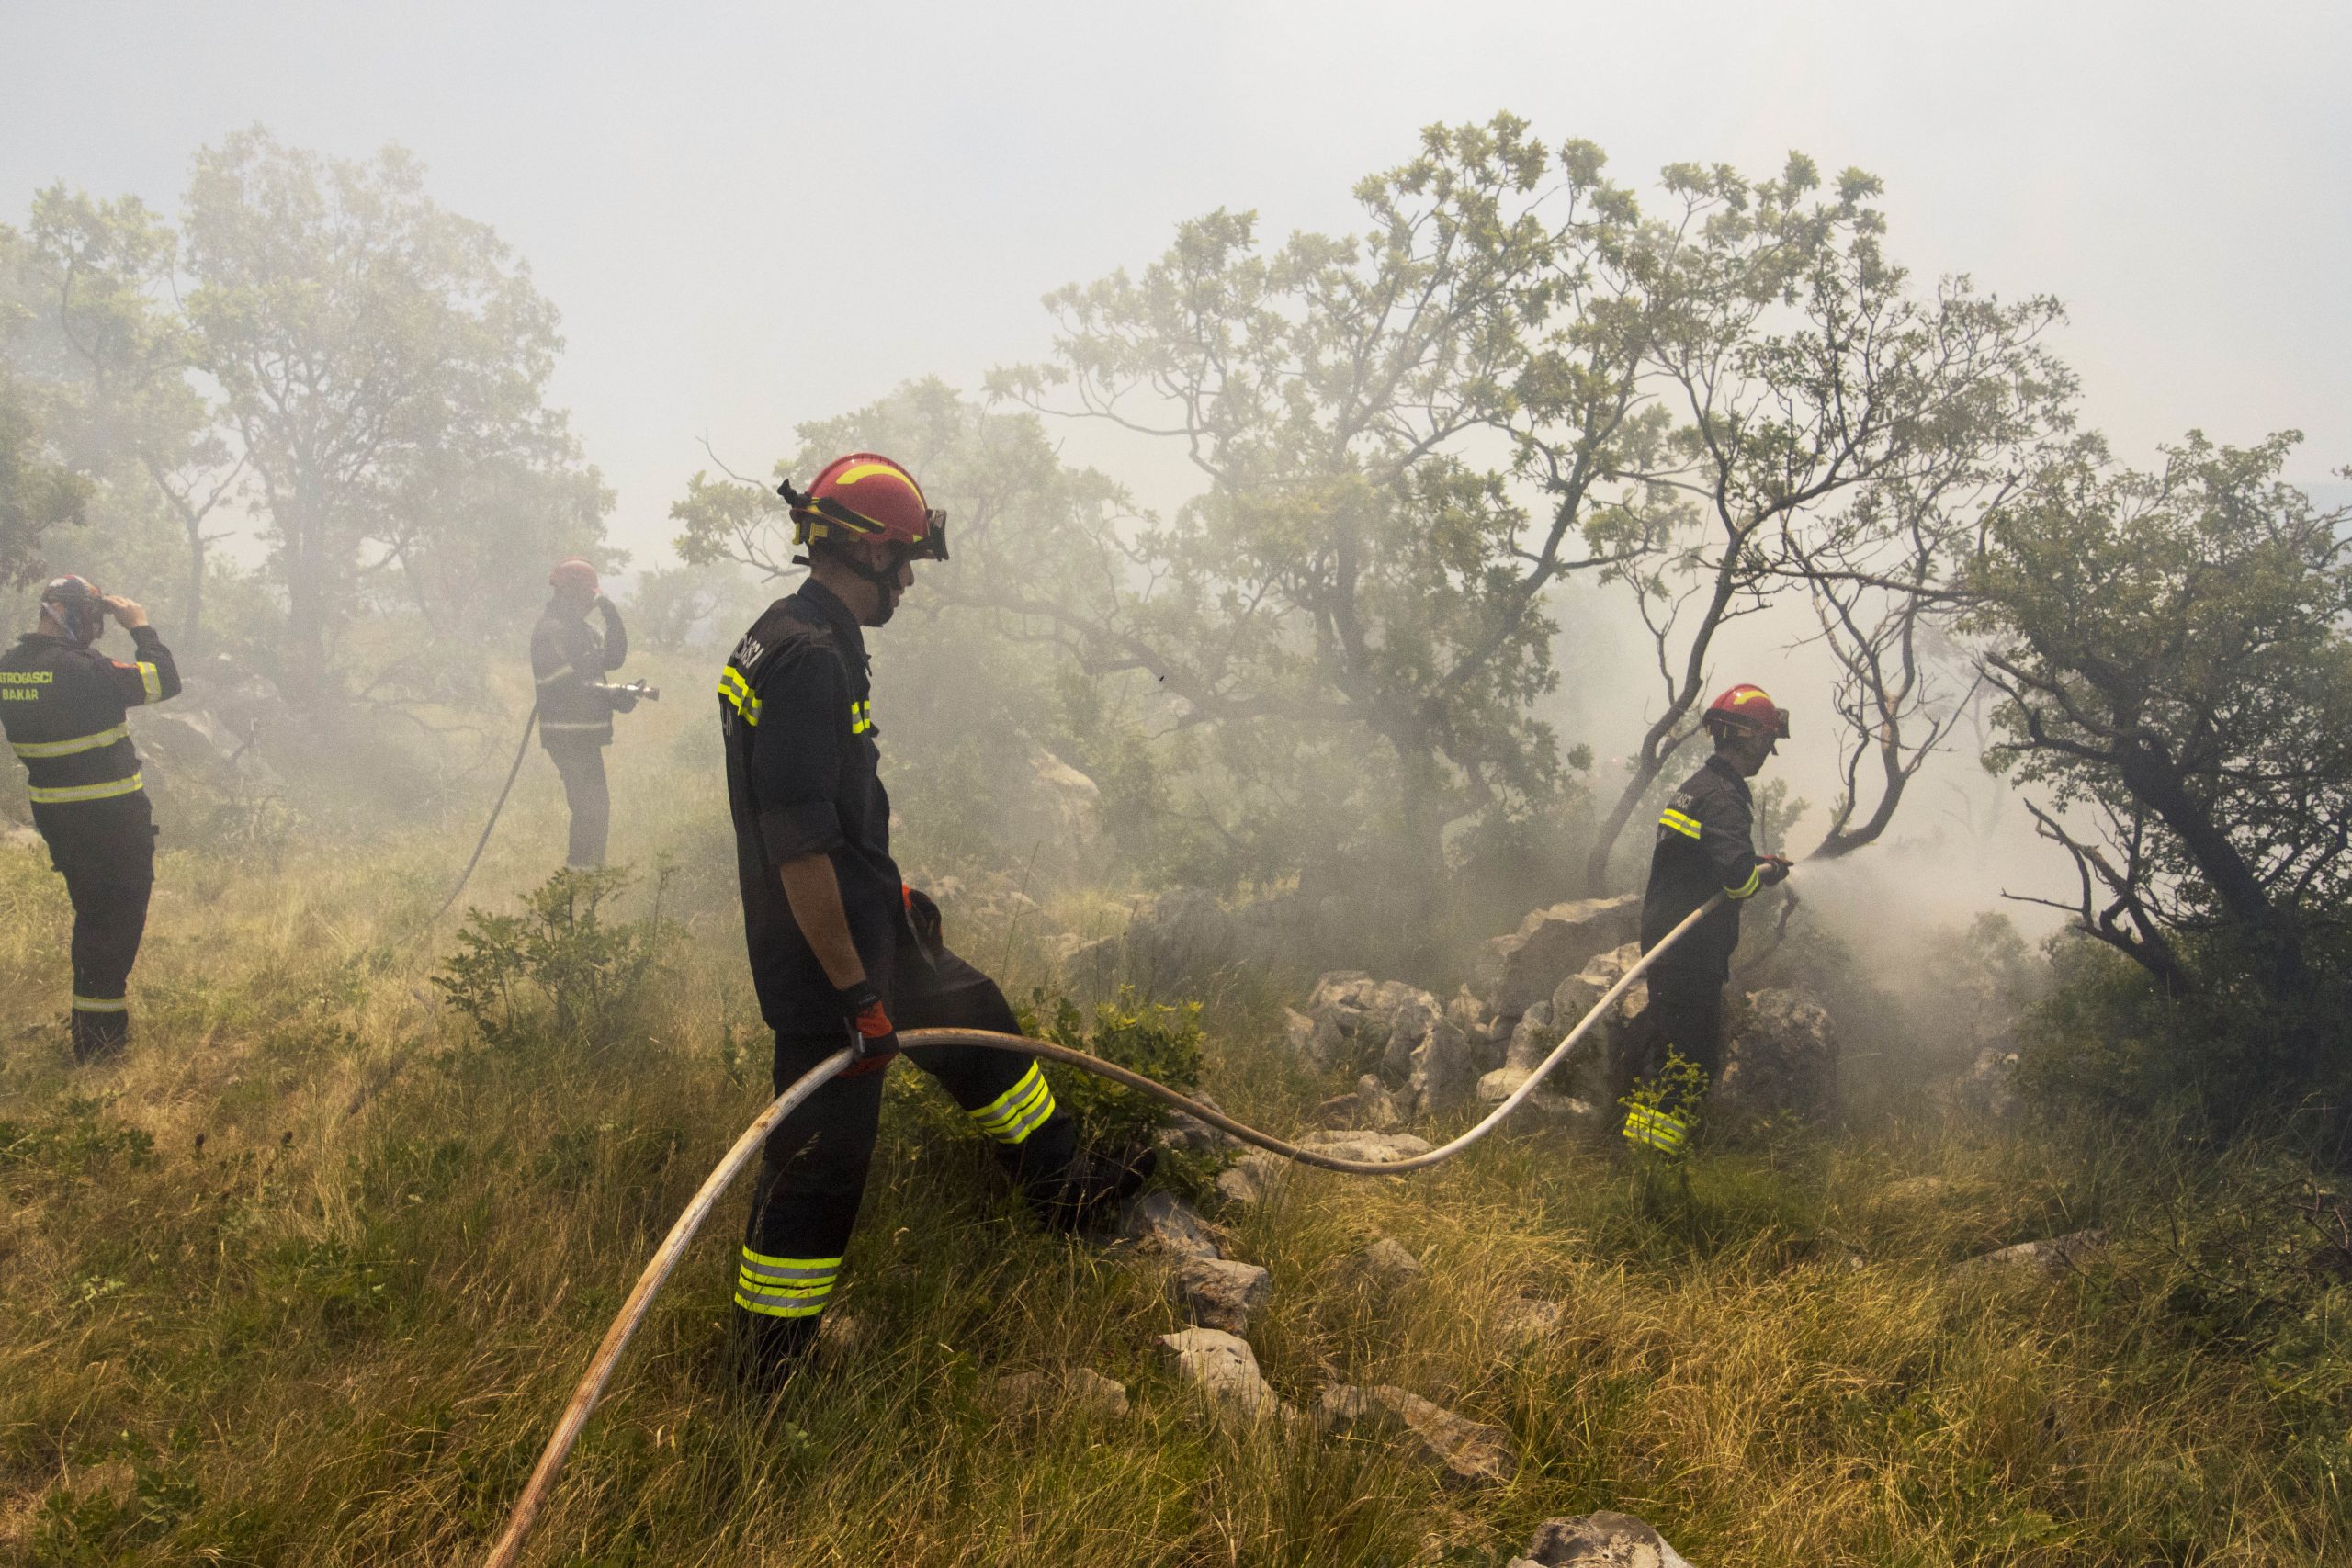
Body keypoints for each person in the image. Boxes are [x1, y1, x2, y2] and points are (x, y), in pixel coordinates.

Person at [717, 451, 1148, 1385]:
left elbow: (834, 811)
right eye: (904, 561)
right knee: (821, 1169)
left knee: (978, 1020)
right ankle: (767, 1369)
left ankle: (1061, 1187)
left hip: (866, 929)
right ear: (867, 551)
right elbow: (797, 851)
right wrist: (857, 995)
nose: (910, 582)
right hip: (826, 965)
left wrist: (891, 901)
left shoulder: (800, 633)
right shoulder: (806, 660)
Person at [0, 576, 182, 1061]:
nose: (96, 628)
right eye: (93, 616)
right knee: (117, 924)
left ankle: (89, 1031)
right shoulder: (83, 670)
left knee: (95, 919)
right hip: (110, 820)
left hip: (59, 819)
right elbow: (164, 680)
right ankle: (100, 1048)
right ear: (65, 611)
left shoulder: (9, 667)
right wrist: (141, 627)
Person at [1620, 682, 1793, 1156]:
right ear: (1745, 737)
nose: (1769, 752)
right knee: (1689, 1062)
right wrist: (1766, 873)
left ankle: (1645, 1159)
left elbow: (1706, 861)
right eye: (1766, 741)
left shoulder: (1697, 788)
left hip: (1669, 943)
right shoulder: (1724, 797)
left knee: (1669, 1053)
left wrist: (1756, 861)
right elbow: (1738, 881)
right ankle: (1655, 1167)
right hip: (1690, 952)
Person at [531, 558, 637, 868]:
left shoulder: (582, 630)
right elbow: (566, 685)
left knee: (596, 810)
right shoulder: (550, 631)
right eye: (588, 594)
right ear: (569, 592)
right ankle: (577, 884)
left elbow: (613, 659)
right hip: (566, 737)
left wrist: (612, 617)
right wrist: (612, 696)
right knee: (589, 810)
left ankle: (589, 878)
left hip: (584, 737)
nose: (592, 600)